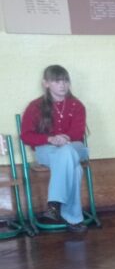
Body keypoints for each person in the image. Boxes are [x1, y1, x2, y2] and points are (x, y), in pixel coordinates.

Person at [19, 65, 89, 233]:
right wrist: (50, 139)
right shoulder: (35, 106)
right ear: (46, 83)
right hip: (46, 149)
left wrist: (64, 139)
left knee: (67, 151)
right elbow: (26, 136)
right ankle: (73, 219)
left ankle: (54, 205)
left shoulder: (77, 105)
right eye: (57, 81)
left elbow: (77, 132)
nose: (62, 85)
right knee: (75, 169)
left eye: (65, 81)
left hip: (74, 146)